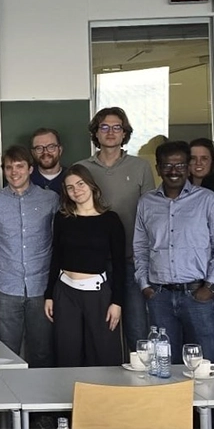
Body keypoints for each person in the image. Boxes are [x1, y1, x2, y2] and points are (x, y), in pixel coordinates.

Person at [78, 107, 154, 354]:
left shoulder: (140, 167)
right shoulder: (82, 169)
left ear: (124, 133)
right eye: (104, 127)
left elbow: (151, 215)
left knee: (137, 329)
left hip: (131, 261)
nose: (110, 132)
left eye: (116, 127)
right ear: (95, 133)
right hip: (93, 265)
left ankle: (141, 374)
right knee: (98, 330)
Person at [0, 145, 59, 367]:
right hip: (6, 289)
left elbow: (60, 246)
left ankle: (39, 390)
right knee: (6, 355)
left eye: (20, 166)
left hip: (42, 289)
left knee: (42, 353)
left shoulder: (50, 199)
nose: (14, 172)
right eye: (8, 167)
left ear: (31, 169)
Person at [134, 141, 214, 362]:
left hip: (197, 295)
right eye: (167, 165)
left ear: (188, 168)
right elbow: (140, 246)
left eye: (179, 165)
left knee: (206, 362)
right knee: (164, 364)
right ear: (158, 169)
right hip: (159, 296)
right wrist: (145, 285)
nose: (173, 171)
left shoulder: (207, 200)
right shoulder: (146, 202)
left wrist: (210, 287)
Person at [45, 164, 125, 367]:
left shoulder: (111, 220)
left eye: (80, 184)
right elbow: (55, 256)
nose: (76, 190)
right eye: (70, 187)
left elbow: (119, 264)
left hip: (97, 295)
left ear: (91, 185)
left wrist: (117, 302)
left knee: (103, 354)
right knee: (67, 353)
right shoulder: (62, 218)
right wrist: (49, 295)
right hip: (65, 292)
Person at [29, 128, 67, 193]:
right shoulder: (26, 178)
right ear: (33, 153)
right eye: (39, 148)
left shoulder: (71, 177)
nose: (45, 152)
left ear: (60, 150)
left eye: (51, 147)